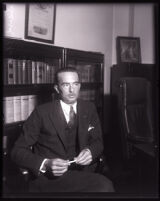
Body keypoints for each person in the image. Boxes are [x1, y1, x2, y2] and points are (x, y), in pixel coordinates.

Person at [11, 67, 114, 192]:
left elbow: (98, 142)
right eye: (66, 85)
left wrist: (90, 151)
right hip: (52, 179)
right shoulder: (41, 112)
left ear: (80, 86)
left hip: (84, 172)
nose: (72, 90)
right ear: (56, 88)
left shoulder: (89, 108)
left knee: (105, 185)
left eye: (75, 84)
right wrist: (45, 163)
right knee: (104, 186)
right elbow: (17, 151)